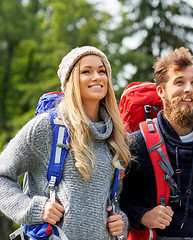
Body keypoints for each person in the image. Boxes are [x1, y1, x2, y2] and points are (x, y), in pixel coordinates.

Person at [0, 46, 131, 239]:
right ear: (70, 81)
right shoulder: (47, 127)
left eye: (102, 71)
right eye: (86, 71)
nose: (97, 77)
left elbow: (113, 199)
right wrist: (34, 209)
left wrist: (121, 220)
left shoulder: (117, 137)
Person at [120, 47, 193, 239]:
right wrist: (143, 216)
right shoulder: (137, 144)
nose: (189, 89)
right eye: (179, 82)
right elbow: (118, 201)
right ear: (161, 91)